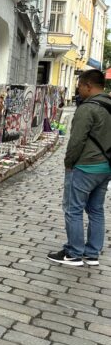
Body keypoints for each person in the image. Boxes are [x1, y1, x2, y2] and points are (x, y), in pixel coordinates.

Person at [48, 69, 111, 267]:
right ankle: (92, 253)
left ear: (88, 86)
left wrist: (69, 164)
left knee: (73, 209)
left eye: (80, 86)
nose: (78, 90)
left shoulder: (87, 108)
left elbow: (76, 141)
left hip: (85, 166)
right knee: (96, 210)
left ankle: (74, 253)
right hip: (105, 167)